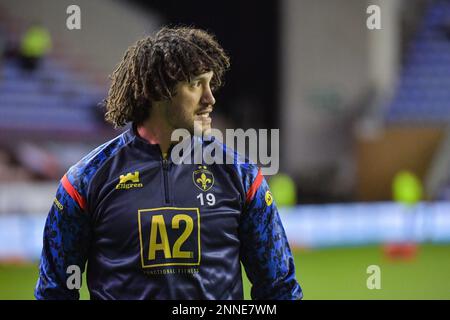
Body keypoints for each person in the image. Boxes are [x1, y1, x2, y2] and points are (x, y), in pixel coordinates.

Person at [35, 26, 302, 300]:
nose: (210, 98)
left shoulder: (241, 177)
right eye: (196, 84)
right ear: (158, 90)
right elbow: (55, 291)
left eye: (210, 84)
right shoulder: (85, 181)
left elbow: (278, 288)